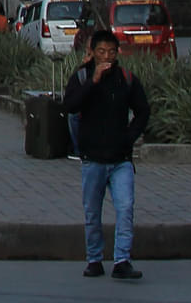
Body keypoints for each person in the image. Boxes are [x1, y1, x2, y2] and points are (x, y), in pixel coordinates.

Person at [62, 27, 151, 280]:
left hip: (120, 159)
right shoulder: (81, 77)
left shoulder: (126, 78)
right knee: (92, 212)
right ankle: (94, 259)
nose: (106, 57)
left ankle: (122, 259)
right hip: (93, 159)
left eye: (111, 52)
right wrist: (94, 81)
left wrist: (129, 137)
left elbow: (143, 110)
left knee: (125, 207)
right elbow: (70, 105)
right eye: (101, 52)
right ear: (92, 52)